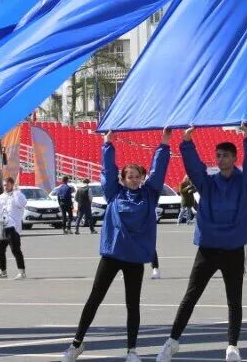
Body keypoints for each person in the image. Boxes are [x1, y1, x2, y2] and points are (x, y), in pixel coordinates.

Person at [61, 128, 170, 362]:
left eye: (137, 176)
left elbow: (158, 172)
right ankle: (76, 344)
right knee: (94, 298)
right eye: (129, 176)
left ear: (142, 178)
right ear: (122, 179)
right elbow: (108, 169)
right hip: (112, 255)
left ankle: (132, 350)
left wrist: (164, 144)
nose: (133, 179)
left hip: (134, 259)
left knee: (133, 304)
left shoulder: (149, 195)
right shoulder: (114, 193)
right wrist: (108, 143)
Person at [157, 125, 247, 362]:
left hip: (234, 249)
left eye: (225, 155)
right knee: (191, 296)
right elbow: (193, 167)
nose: (220, 159)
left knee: (234, 299)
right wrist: (186, 142)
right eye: (218, 155)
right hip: (208, 249)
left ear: (234, 158)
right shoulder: (207, 183)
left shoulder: (245, 182)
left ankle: (232, 346)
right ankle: (172, 341)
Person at [0, 175, 28, 279]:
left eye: (7, 185)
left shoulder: (18, 196)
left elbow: (22, 203)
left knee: (15, 250)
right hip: (0, 227)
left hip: (12, 227)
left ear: (12, 185)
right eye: (4, 185)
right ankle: (2, 271)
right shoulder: (0, 197)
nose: (5, 187)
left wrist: (17, 192)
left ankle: (21, 272)